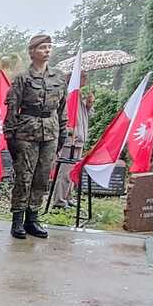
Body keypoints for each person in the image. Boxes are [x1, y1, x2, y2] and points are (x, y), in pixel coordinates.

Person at [4, 34, 67, 239]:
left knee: (41, 177)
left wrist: (63, 132)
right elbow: (12, 108)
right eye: (42, 48)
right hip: (26, 132)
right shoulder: (23, 78)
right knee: (24, 177)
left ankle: (33, 219)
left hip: (50, 131)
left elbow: (62, 108)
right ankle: (17, 220)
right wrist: (10, 136)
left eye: (49, 47)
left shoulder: (58, 77)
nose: (47, 50)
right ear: (32, 52)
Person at [52, 73, 93, 208]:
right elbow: (61, 117)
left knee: (73, 171)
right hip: (70, 140)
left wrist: (88, 105)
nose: (86, 79)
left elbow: (84, 117)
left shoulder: (78, 97)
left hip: (79, 139)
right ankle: (59, 201)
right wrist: (68, 130)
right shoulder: (68, 96)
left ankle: (68, 196)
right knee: (65, 172)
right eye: (83, 77)